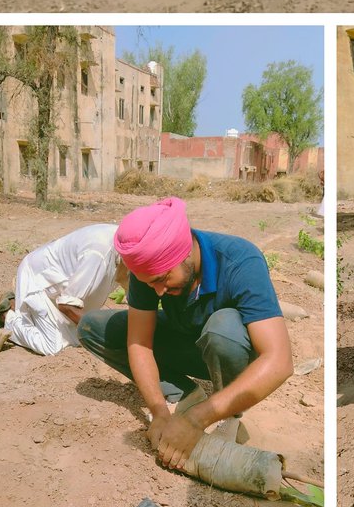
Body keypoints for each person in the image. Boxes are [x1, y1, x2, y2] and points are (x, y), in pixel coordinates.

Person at [78, 197, 294, 470]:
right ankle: (184, 394)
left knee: (223, 327)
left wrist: (196, 421)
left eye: (162, 280)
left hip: (229, 351)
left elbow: (279, 361)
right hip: (187, 343)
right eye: (149, 283)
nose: (157, 291)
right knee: (93, 326)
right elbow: (139, 343)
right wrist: (158, 411)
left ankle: (229, 417)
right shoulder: (151, 271)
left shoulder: (240, 260)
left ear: (185, 253)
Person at [0, 223, 128, 356]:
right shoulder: (98, 254)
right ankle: (9, 317)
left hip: (64, 292)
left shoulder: (133, 250)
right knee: (54, 346)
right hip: (39, 280)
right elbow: (67, 306)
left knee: (76, 337)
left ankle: (26, 308)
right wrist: (101, 335)